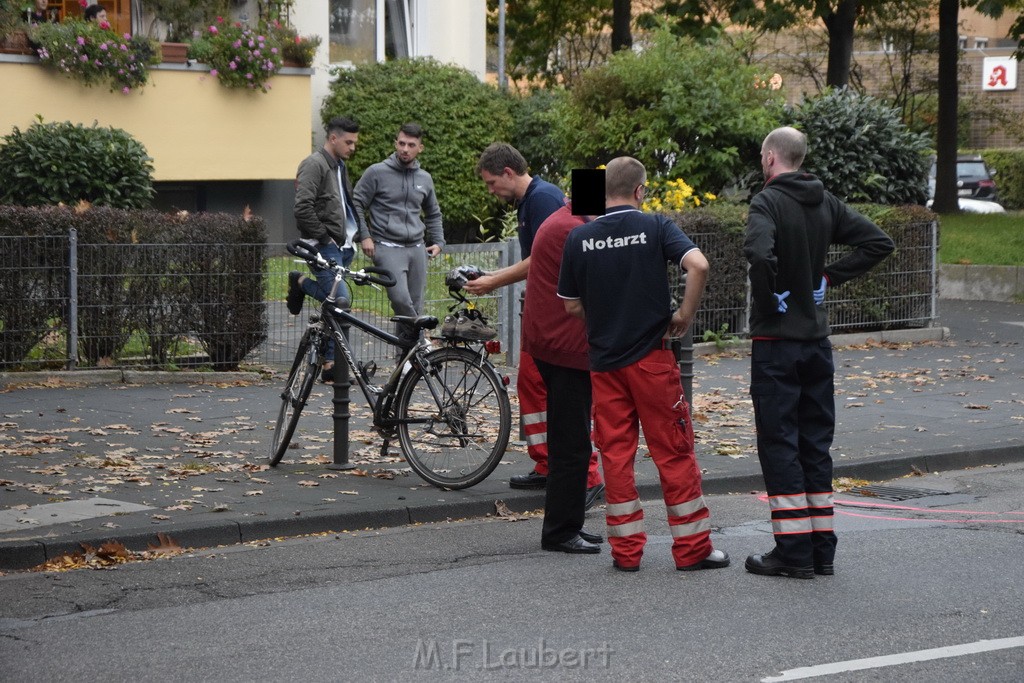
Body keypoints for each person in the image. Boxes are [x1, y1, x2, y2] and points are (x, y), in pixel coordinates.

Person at [558, 156, 729, 573]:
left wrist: (603, 314)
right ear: (639, 191)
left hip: (604, 364)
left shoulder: (580, 238)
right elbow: (699, 265)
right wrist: (684, 316)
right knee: (672, 452)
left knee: (615, 455)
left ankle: (626, 553)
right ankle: (692, 550)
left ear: (603, 192)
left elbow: (570, 304)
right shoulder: (655, 226)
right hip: (652, 360)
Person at [743, 126, 894, 579]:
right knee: (814, 444)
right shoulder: (825, 202)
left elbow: (759, 254)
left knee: (780, 443)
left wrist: (769, 301)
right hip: (816, 344)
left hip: (776, 346)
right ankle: (821, 551)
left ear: (771, 158)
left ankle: (792, 553)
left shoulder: (766, 202)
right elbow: (878, 242)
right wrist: (827, 278)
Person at [465, 142, 604, 508]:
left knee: (564, 399)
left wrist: (494, 280)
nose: (491, 191)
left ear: (509, 173)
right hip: (547, 312)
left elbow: (542, 258)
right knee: (534, 387)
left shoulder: (544, 200)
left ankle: (584, 475)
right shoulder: (533, 201)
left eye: (493, 183)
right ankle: (549, 464)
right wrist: (494, 276)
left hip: (560, 316)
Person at [524, 203, 604, 554]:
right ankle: (560, 531)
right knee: (571, 444)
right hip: (565, 347)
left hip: (551, 343)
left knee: (568, 442)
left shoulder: (565, 220)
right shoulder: (575, 228)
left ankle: (568, 525)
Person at [353, 123, 444, 349]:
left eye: (411, 145)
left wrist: (439, 241)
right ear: (395, 144)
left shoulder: (425, 178)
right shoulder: (376, 172)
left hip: (417, 248)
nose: (405, 149)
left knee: (415, 304)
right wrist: (364, 235)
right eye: (401, 143)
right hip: (386, 246)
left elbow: (433, 212)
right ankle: (421, 340)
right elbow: (356, 202)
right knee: (401, 301)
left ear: (419, 148)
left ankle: (405, 363)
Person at [289, 116, 361, 382]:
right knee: (340, 303)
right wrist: (324, 238)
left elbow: (348, 204)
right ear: (333, 138)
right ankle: (334, 366)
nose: (353, 147)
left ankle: (330, 365)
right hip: (324, 245)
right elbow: (302, 208)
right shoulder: (314, 164)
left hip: (343, 246)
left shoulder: (339, 166)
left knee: (337, 304)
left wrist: (359, 235)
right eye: (348, 142)